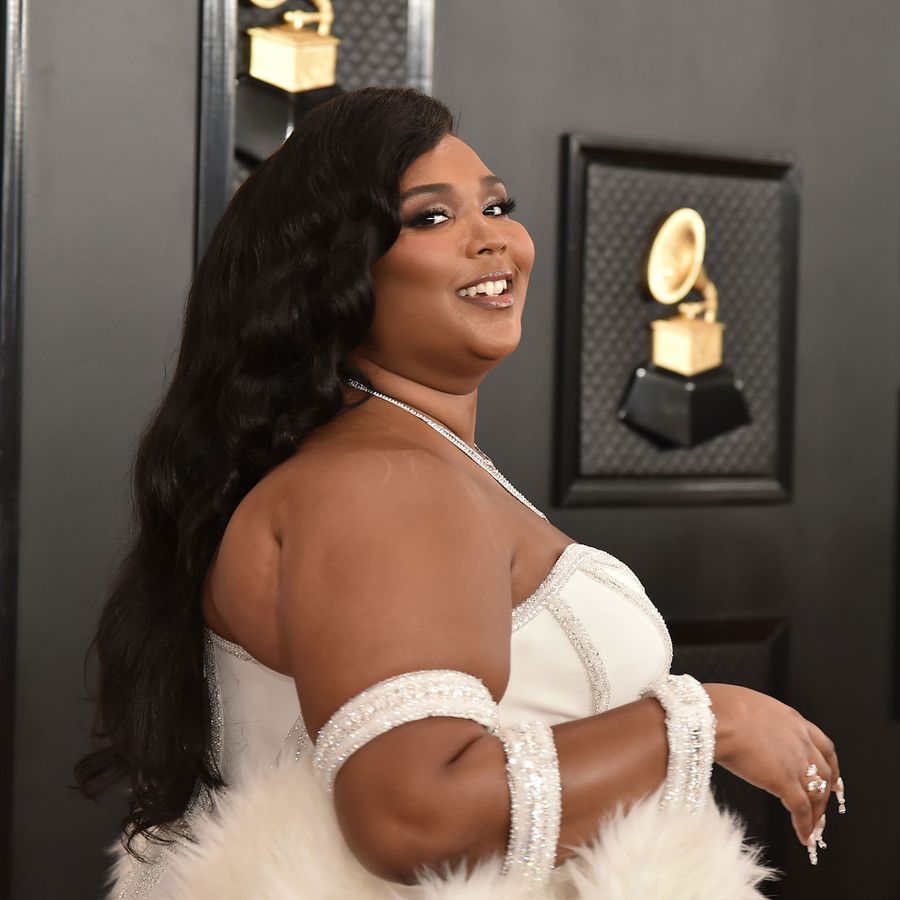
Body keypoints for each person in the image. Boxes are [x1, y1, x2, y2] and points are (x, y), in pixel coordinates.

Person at [76, 87, 843, 899]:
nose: (494, 239)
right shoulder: (384, 482)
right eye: (431, 218)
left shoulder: (410, 461)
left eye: (498, 205)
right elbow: (414, 816)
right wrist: (707, 722)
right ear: (338, 271)